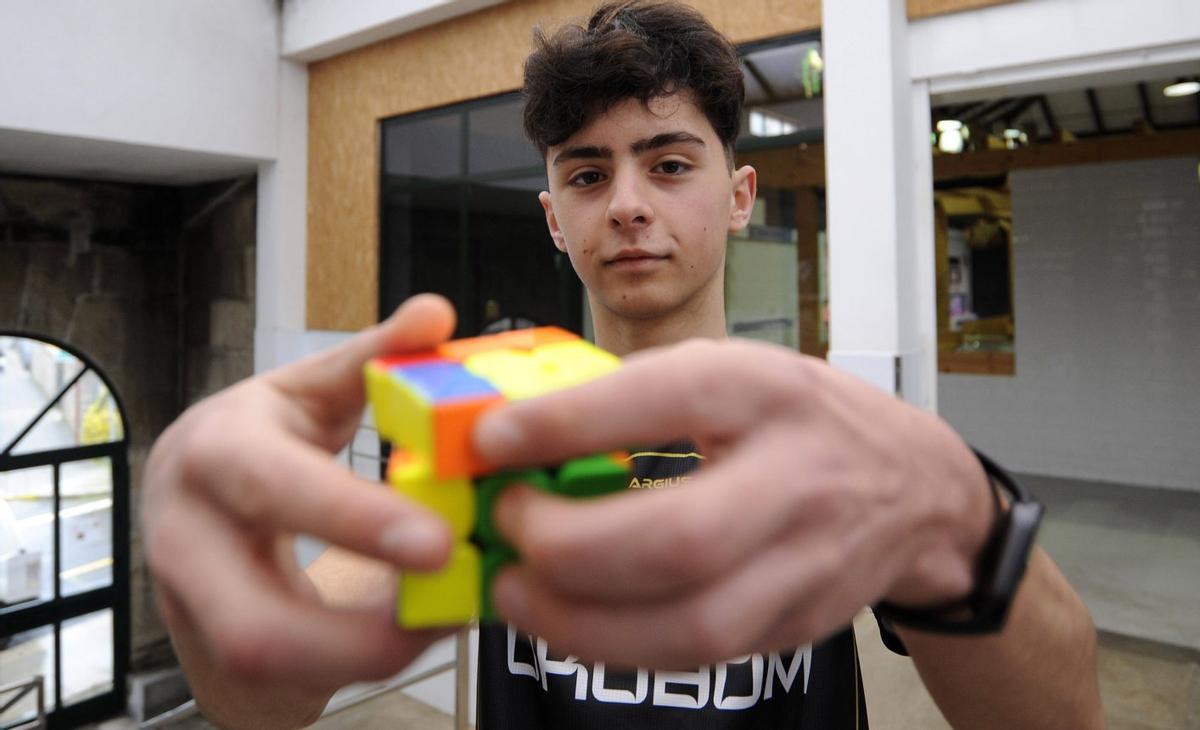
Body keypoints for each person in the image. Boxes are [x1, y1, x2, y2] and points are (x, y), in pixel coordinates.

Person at [141, 2, 1104, 728]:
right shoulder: (485, 425)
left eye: (670, 163)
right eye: (589, 174)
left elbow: (1061, 713)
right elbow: (268, 696)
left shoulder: (832, 437)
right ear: (557, 218)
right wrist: (199, 536)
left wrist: (953, 511)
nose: (628, 204)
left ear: (738, 194)